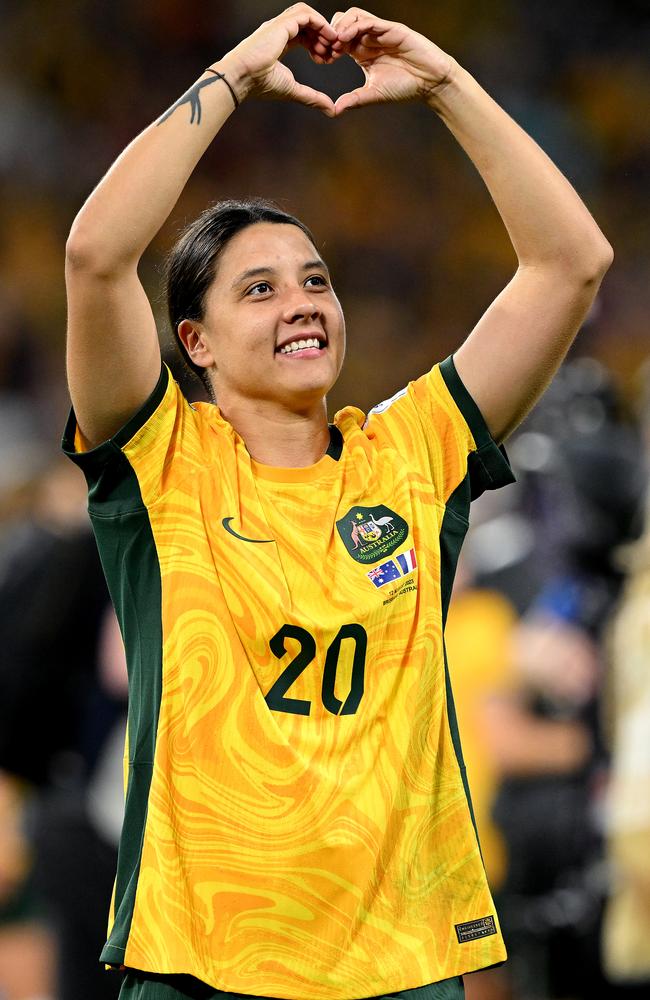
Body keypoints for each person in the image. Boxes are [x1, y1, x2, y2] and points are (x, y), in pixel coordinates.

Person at [61, 6, 613, 1000]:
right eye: (259, 290)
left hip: (398, 963)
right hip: (200, 962)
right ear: (195, 342)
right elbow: (97, 255)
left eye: (315, 280)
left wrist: (443, 83)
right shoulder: (163, 462)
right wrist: (234, 72)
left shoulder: (412, 450)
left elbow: (569, 265)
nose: (303, 301)